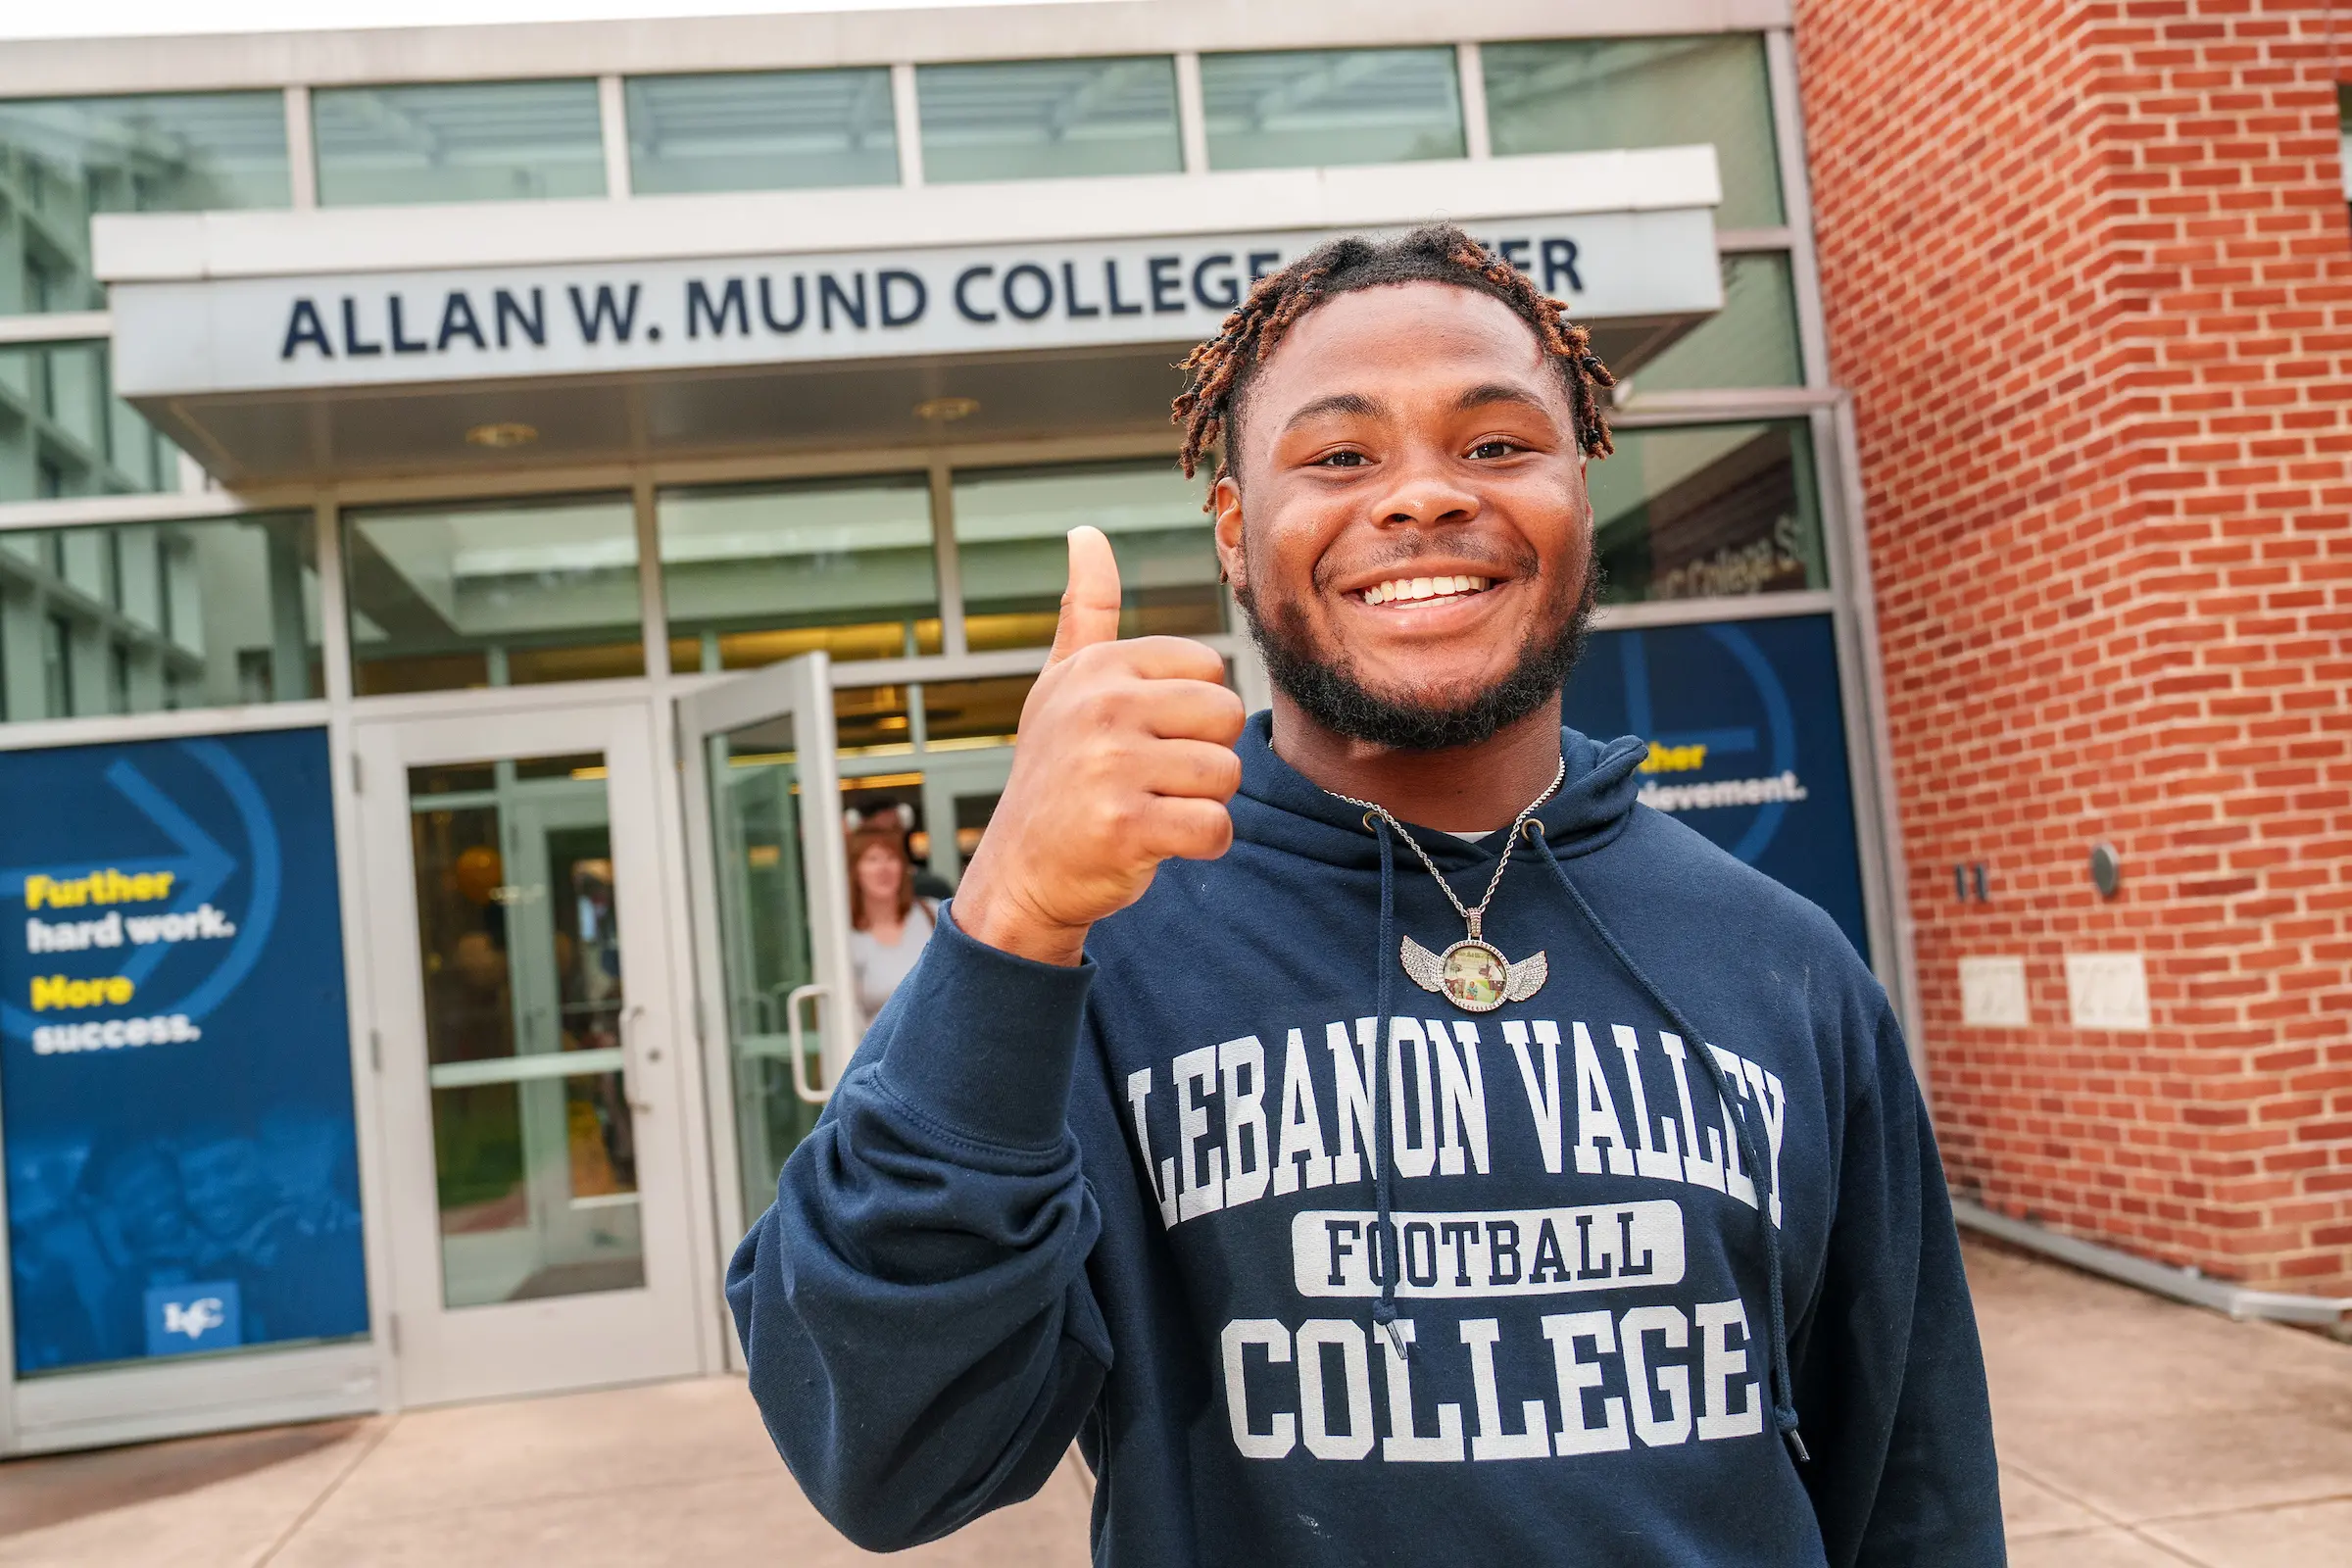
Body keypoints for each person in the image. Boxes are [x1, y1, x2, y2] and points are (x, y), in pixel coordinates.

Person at [730, 226, 2002, 1566]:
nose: (1423, 498)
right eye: (1340, 456)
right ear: (1236, 531)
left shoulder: (1785, 965)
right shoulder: (1095, 952)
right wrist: (1006, 919)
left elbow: (1918, 1492)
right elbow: (877, 1450)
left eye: (1499, 445)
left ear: (1581, 489)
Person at [844, 808, 935, 1032]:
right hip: (880, 1060)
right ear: (855, 871)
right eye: (873, 859)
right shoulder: (846, 937)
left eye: (891, 858)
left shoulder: (933, 914)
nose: (883, 868)